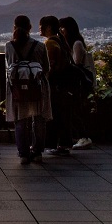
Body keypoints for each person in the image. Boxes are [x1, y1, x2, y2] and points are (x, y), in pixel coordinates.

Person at [5, 15, 52, 164]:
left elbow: (9, 65)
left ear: (14, 28)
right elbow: (46, 68)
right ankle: (37, 152)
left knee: (20, 120)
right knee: (38, 119)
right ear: (30, 28)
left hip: (17, 89)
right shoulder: (40, 46)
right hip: (37, 88)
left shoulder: (9, 46)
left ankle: (23, 153)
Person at [40, 16, 73, 156]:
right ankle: (63, 144)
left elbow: (50, 66)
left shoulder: (50, 44)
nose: (39, 28)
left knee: (55, 114)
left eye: (41, 26)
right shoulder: (61, 41)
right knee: (61, 114)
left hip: (54, 85)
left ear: (48, 27)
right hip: (63, 85)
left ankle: (58, 144)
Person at [60, 16, 93, 150]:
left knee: (76, 110)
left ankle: (84, 137)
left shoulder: (76, 43)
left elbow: (76, 63)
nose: (60, 30)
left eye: (62, 27)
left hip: (78, 83)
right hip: (76, 83)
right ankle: (80, 137)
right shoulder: (72, 42)